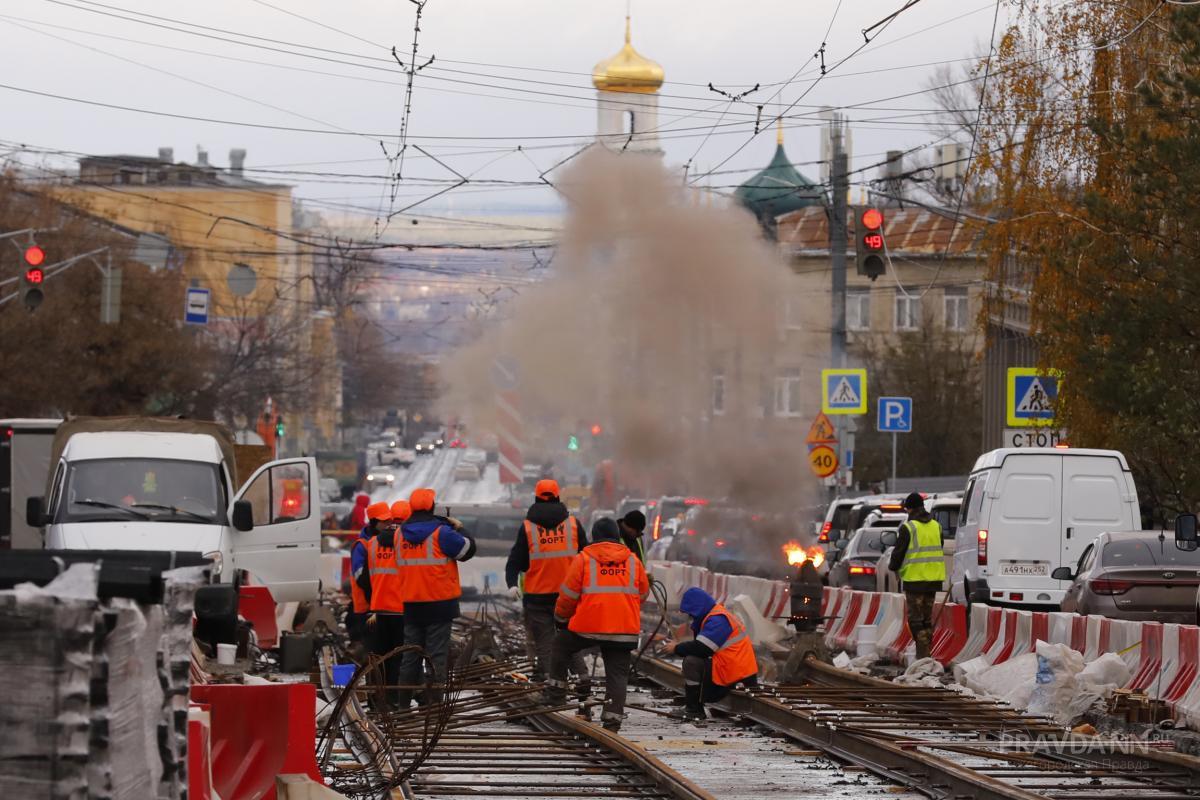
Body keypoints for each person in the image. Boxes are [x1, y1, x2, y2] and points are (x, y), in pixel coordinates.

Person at [547, 517, 649, 732]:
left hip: (587, 628)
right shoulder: (633, 561)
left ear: (594, 536)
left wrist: (561, 619)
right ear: (616, 535)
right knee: (618, 674)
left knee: (560, 644)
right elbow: (642, 594)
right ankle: (612, 722)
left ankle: (556, 695)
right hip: (624, 631)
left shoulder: (583, 559)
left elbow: (568, 596)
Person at [394, 487, 476, 708]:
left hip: (412, 604)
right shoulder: (442, 533)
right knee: (436, 656)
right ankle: (433, 706)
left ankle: (402, 706)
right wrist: (461, 529)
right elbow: (467, 551)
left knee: (410, 655)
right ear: (432, 506)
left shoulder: (399, 534)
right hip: (440, 604)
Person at [505, 479, 590, 685]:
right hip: (568, 594)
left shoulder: (527, 527)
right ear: (558, 497)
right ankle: (582, 677)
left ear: (535, 498)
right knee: (569, 637)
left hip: (537, 595)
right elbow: (587, 556)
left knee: (544, 641)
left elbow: (516, 560)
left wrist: (512, 583)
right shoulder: (573, 524)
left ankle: (549, 680)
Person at [662, 587, 759, 721]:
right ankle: (695, 706)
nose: (691, 617)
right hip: (736, 669)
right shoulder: (716, 615)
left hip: (734, 673)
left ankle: (694, 709)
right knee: (693, 659)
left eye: (691, 613)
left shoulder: (717, 619)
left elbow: (702, 648)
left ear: (697, 608)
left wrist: (677, 648)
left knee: (691, 663)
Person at [887, 491, 946, 659]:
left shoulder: (908, 527)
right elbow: (939, 546)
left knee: (915, 620)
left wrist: (893, 567)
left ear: (910, 509)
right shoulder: (937, 526)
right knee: (927, 619)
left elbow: (898, 553)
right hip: (933, 580)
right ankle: (927, 655)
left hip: (914, 580)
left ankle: (923, 655)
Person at [365, 500, 412, 706]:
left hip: (379, 608)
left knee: (379, 657)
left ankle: (377, 701)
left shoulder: (373, 543)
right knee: (398, 659)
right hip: (401, 609)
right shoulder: (408, 542)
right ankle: (393, 700)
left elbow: (370, 577)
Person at [348, 501, 391, 649]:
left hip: (382, 606)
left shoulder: (386, 542)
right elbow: (362, 579)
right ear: (373, 522)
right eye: (384, 521)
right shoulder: (362, 546)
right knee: (370, 652)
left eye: (389, 520)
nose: (388, 524)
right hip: (365, 608)